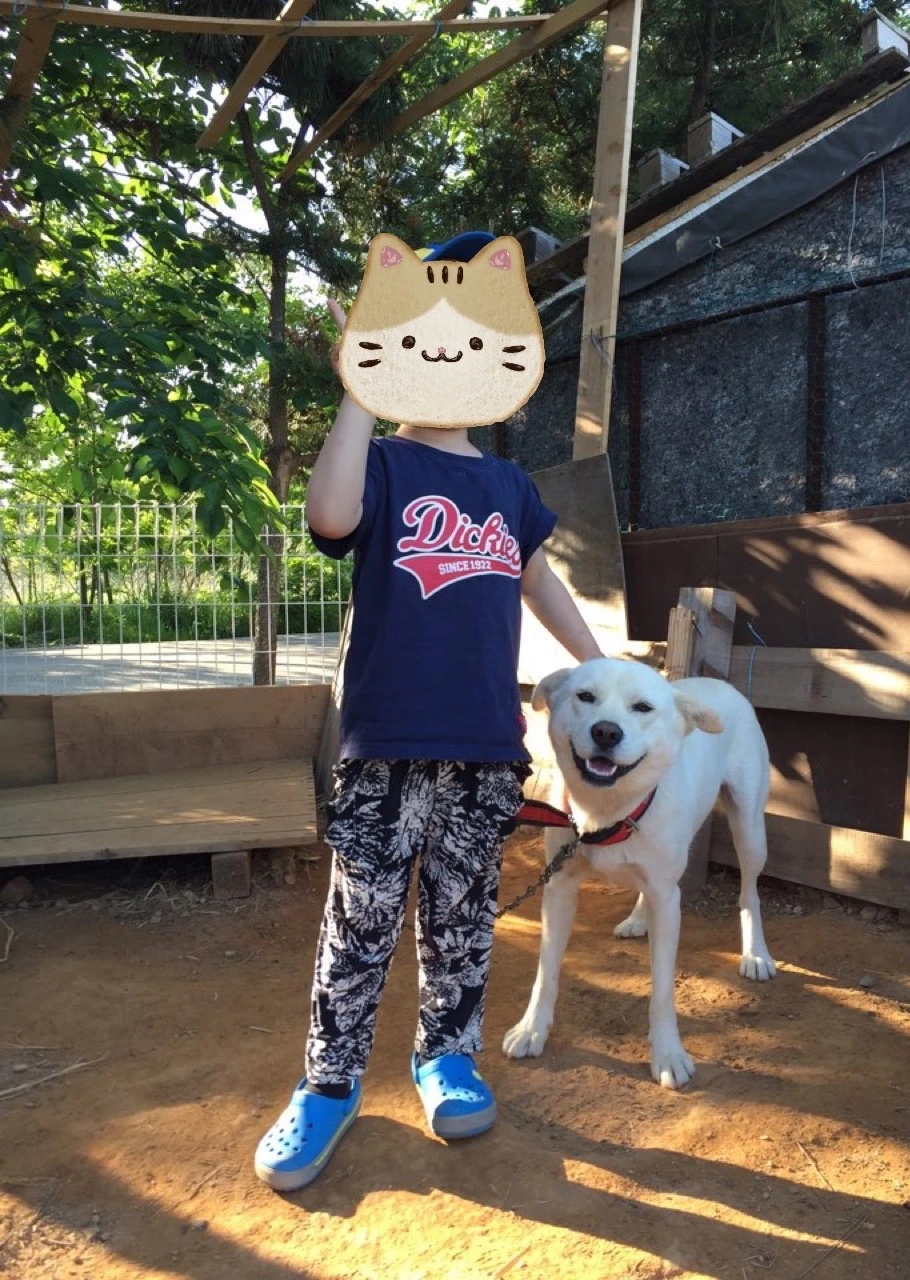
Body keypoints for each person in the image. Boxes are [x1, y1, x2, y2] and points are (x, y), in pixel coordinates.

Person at [255, 231, 602, 1193]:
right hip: (386, 743)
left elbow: (538, 580)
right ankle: (328, 1085)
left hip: (486, 746)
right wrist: (358, 391)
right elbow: (328, 518)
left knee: (462, 918)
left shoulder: (509, 487)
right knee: (360, 921)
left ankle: (446, 1057)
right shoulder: (379, 464)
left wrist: (599, 662)